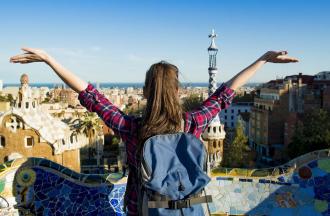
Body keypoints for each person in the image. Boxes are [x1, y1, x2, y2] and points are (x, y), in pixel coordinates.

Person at [10, 48, 298, 215]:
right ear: (179, 91)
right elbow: (226, 94)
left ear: (146, 91)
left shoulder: (133, 129)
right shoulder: (193, 123)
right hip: (188, 210)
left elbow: (92, 96)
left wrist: (49, 59)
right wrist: (263, 58)